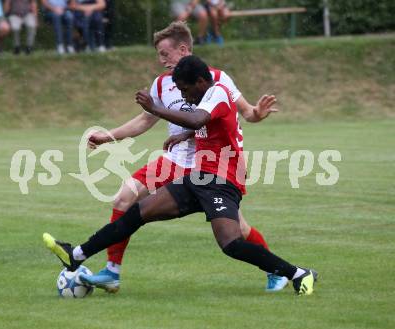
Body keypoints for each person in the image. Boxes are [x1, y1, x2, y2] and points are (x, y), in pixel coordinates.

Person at [43, 55, 317, 296]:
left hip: (222, 182)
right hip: (199, 178)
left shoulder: (218, 92)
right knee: (136, 212)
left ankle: (297, 274)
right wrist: (187, 134)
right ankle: (76, 254)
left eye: (186, 91)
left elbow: (200, 119)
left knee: (232, 243)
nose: (184, 97)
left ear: (200, 81)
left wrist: (155, 108)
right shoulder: (208, 95)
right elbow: (208, 124)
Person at [73, 21, 287, 293]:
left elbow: (246, 113)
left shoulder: (217, 79)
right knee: (124, 197)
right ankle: (112, 271)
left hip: (210, 166)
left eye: (165, 54)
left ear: (183, 50)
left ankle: (277, 271)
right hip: (174, 160)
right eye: (159, 55)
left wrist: (258, 112)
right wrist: (107, 137)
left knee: (239, 230)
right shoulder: (161, 85)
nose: (161, 61)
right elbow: (143, 121)